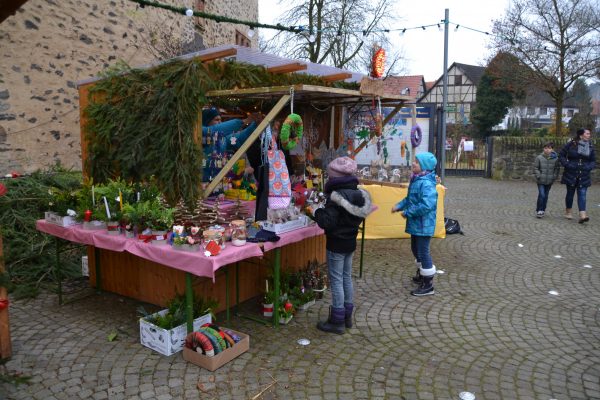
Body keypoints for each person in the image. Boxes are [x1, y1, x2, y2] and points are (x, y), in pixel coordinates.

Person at [307, 156, 373, 334]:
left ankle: (337, 321)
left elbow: (327, 221)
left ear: (334, 178)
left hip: (336, 242)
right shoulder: (358, 193)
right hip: (350, 241)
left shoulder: (336, 196)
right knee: (345, 277)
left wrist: (315, 211)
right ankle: (347, 316)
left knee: (336, 279)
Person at [391, 152, 438, 296]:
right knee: (415, 249)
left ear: (424, 166)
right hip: (416, 224)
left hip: (424, 225)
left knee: (423, 252)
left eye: (416, 162)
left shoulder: (427, 183)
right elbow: (409, 199)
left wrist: (408, 212)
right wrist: (399, 205)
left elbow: (426, 205)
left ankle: (428, 284)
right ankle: (421, 273)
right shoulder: (417, 180)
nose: (413, 164)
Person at [201, 107, 260, 182]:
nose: (220, 122)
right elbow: (214, 130)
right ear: (207, 121)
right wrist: (244, 121)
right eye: (216, 120)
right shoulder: (201, 134)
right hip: (202, 185)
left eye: (220, 119)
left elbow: (237, 139)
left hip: (217, 185)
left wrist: (254, 125)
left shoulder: (222, 139)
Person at [559, 128, 596, 223]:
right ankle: (568, 211)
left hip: (584, 173)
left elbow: (593, 160)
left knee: (582, 194)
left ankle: (582, 215)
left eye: (589, 134)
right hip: (571, 172)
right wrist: (567, 164)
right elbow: (561, 155)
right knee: (570, 194)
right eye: (587, 133)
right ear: (581, 135)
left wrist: (589, 167)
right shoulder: (571, 144)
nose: (589, 135)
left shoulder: (590, 146)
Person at [533, 142, 560, 218]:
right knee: (542, 194)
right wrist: (539, 175)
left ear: (552, 149)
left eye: (549, 148)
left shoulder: (556, 158)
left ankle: (542, 209)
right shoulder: (539, 157)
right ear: (543, 149)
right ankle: (539, 210)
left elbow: (557, 169)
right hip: (541, 180)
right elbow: (535, 168)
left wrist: (554, 177)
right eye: (546, 148)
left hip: (549, 180)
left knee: (545, 195)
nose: (547, 150)